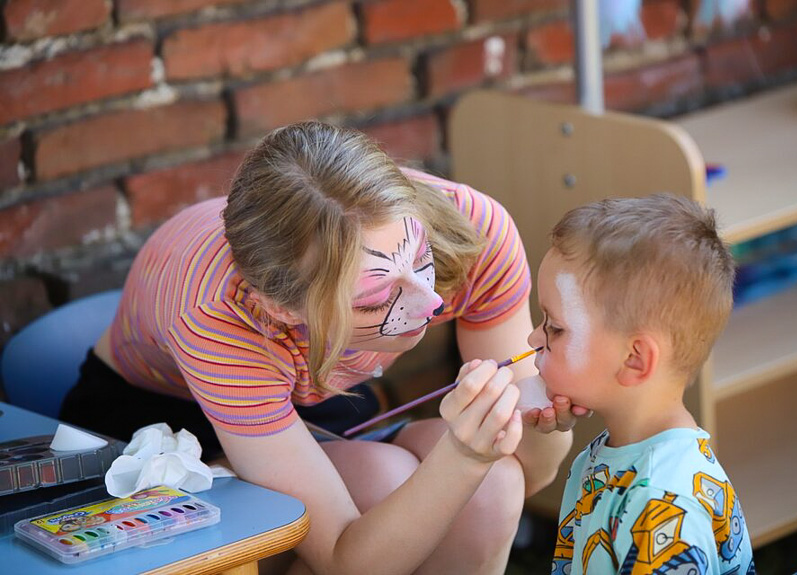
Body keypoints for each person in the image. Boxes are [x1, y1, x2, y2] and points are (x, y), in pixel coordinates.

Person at [60, 121, 586, 574]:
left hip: (320, 398)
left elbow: (528, 471)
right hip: (164, 419)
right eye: (377, 296)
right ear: (285, 311)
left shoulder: (473, 228)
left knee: (492, 485)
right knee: (387, 484)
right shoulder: (214, 310)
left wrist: (537, 427)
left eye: (420, 255)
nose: (428, 301)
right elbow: (343, 558)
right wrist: (464, 455)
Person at [526, 194, 755, 574]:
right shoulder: (608, 454)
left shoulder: (662, 505)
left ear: (634, 359)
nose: (535, 339)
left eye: (555, 327)